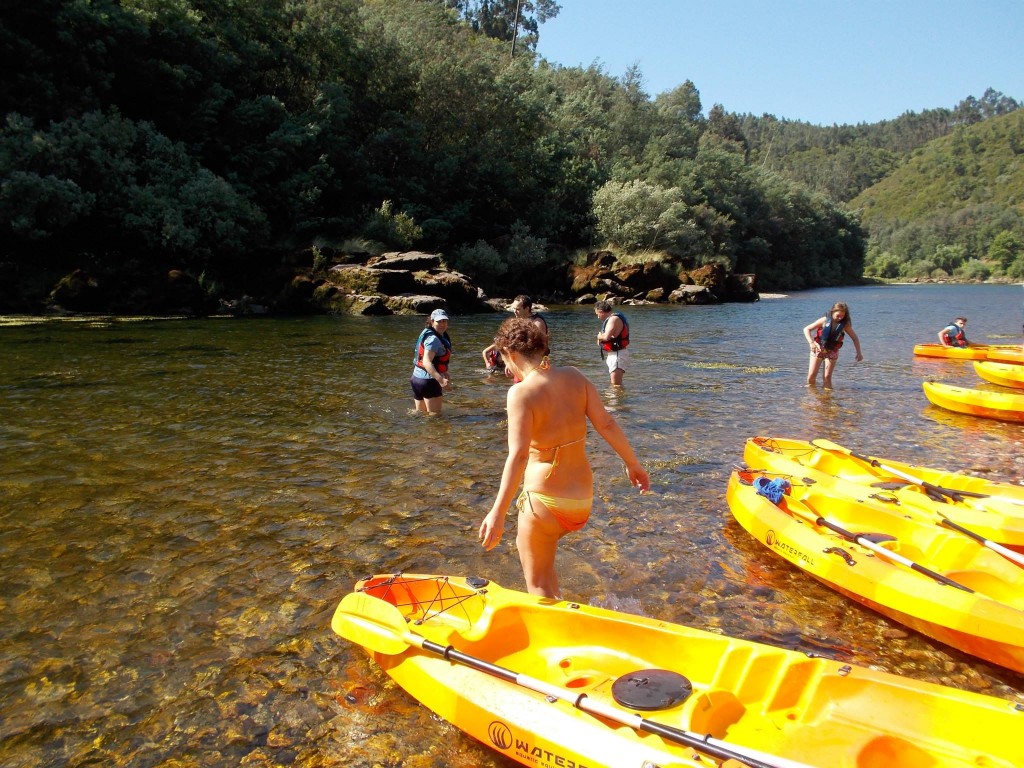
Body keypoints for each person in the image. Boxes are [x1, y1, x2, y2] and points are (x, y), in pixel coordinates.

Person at [478, 317, 650, 598]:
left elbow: (519, 456)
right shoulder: (574, 375)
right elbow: (606, 424)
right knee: (547, 570)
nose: (505, 366)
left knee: (539, 586)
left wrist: (497, 513)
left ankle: (554, 635)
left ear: (513, 354)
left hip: (545, 503)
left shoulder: (520, 393)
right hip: (581, 501)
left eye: (504, 358)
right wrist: (633, 464)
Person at [481, 294, 550, 379]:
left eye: (518, 309)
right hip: (523, 363)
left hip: (535, 365)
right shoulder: (520, 320)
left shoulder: (537, 323)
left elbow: (539, 348)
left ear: (527, 309)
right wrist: (510, 362)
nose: (514, 311)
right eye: (514, 308)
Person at [803, 302, 863, 388]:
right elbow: (806, 329)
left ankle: (827, 398)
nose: (840, 318)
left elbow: (855, 338)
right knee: (811, 376)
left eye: (842, 316)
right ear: (832, 312)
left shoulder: (845, 325)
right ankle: (812, 395)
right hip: (818, 349)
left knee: (827, 377)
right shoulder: (824, 320)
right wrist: (811, 343)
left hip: (832, 351)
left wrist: (859, 353)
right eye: (838, 315)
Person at [410, 308, 452, 414]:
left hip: (416, 379)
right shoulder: (433, 339)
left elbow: (436, 360)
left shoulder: (427, 332)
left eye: (444, 321)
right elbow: (426, 362)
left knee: (419, 414)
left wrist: (444, 371)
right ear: (432, 321)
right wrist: (441, 380)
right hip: (428, 382)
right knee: (435, 417)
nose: (442, 324)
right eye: (439, 321)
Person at [594, 300, 629, 386]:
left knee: (616, 386)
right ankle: (616, 398)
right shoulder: (613, 319)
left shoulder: (613, 319)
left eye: (597, 314)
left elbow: (606, 337)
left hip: (617, 355)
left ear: (601, 312)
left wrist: (599, 336)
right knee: (615, 385)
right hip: (615, 354)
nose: (598, 317)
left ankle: (617, 399)